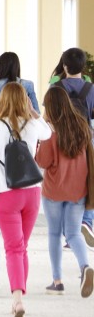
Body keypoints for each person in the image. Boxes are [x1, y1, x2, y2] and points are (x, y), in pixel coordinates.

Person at [0, 82, 52, 317]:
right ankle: (20, 295)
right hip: (32, 193)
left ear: (2, 100)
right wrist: (34, 113)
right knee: (22, 247)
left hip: (6, 196)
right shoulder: (32, 125)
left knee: (13, 248)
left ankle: (17, 299)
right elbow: (48, 133)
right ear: (24, 101)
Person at [35, 87, 94, 298]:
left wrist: (38, 144)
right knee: (74, 232)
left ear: (51, 106)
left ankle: (57, 281)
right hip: (78, 189)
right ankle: (85, 266)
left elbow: (42, 162)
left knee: (53, 233)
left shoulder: (50, 132)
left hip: (54, 190)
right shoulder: (82, 127)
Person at [50, 47, 94, 248]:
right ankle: (86, 221)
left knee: (63, 182)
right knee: (89, 179)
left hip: (60, 140)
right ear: (83, 67)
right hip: (86, 140)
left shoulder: (55, 87)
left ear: (64, 65)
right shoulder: (90, 88)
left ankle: (69, 232)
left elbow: (48, 117)